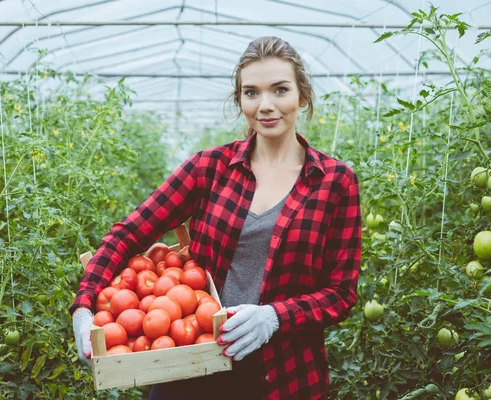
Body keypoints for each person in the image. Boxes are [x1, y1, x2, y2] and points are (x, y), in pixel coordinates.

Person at [70, 36, 361, 400]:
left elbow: (340, 293)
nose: (266, 105)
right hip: (192, 359)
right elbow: (128, 233)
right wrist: (84, 307)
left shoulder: (335, 182)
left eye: (280, 90)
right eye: (252, 93)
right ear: (239, 100)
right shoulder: (209, 168)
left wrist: (274, 317)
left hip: (284, 373)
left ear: (302, 96)